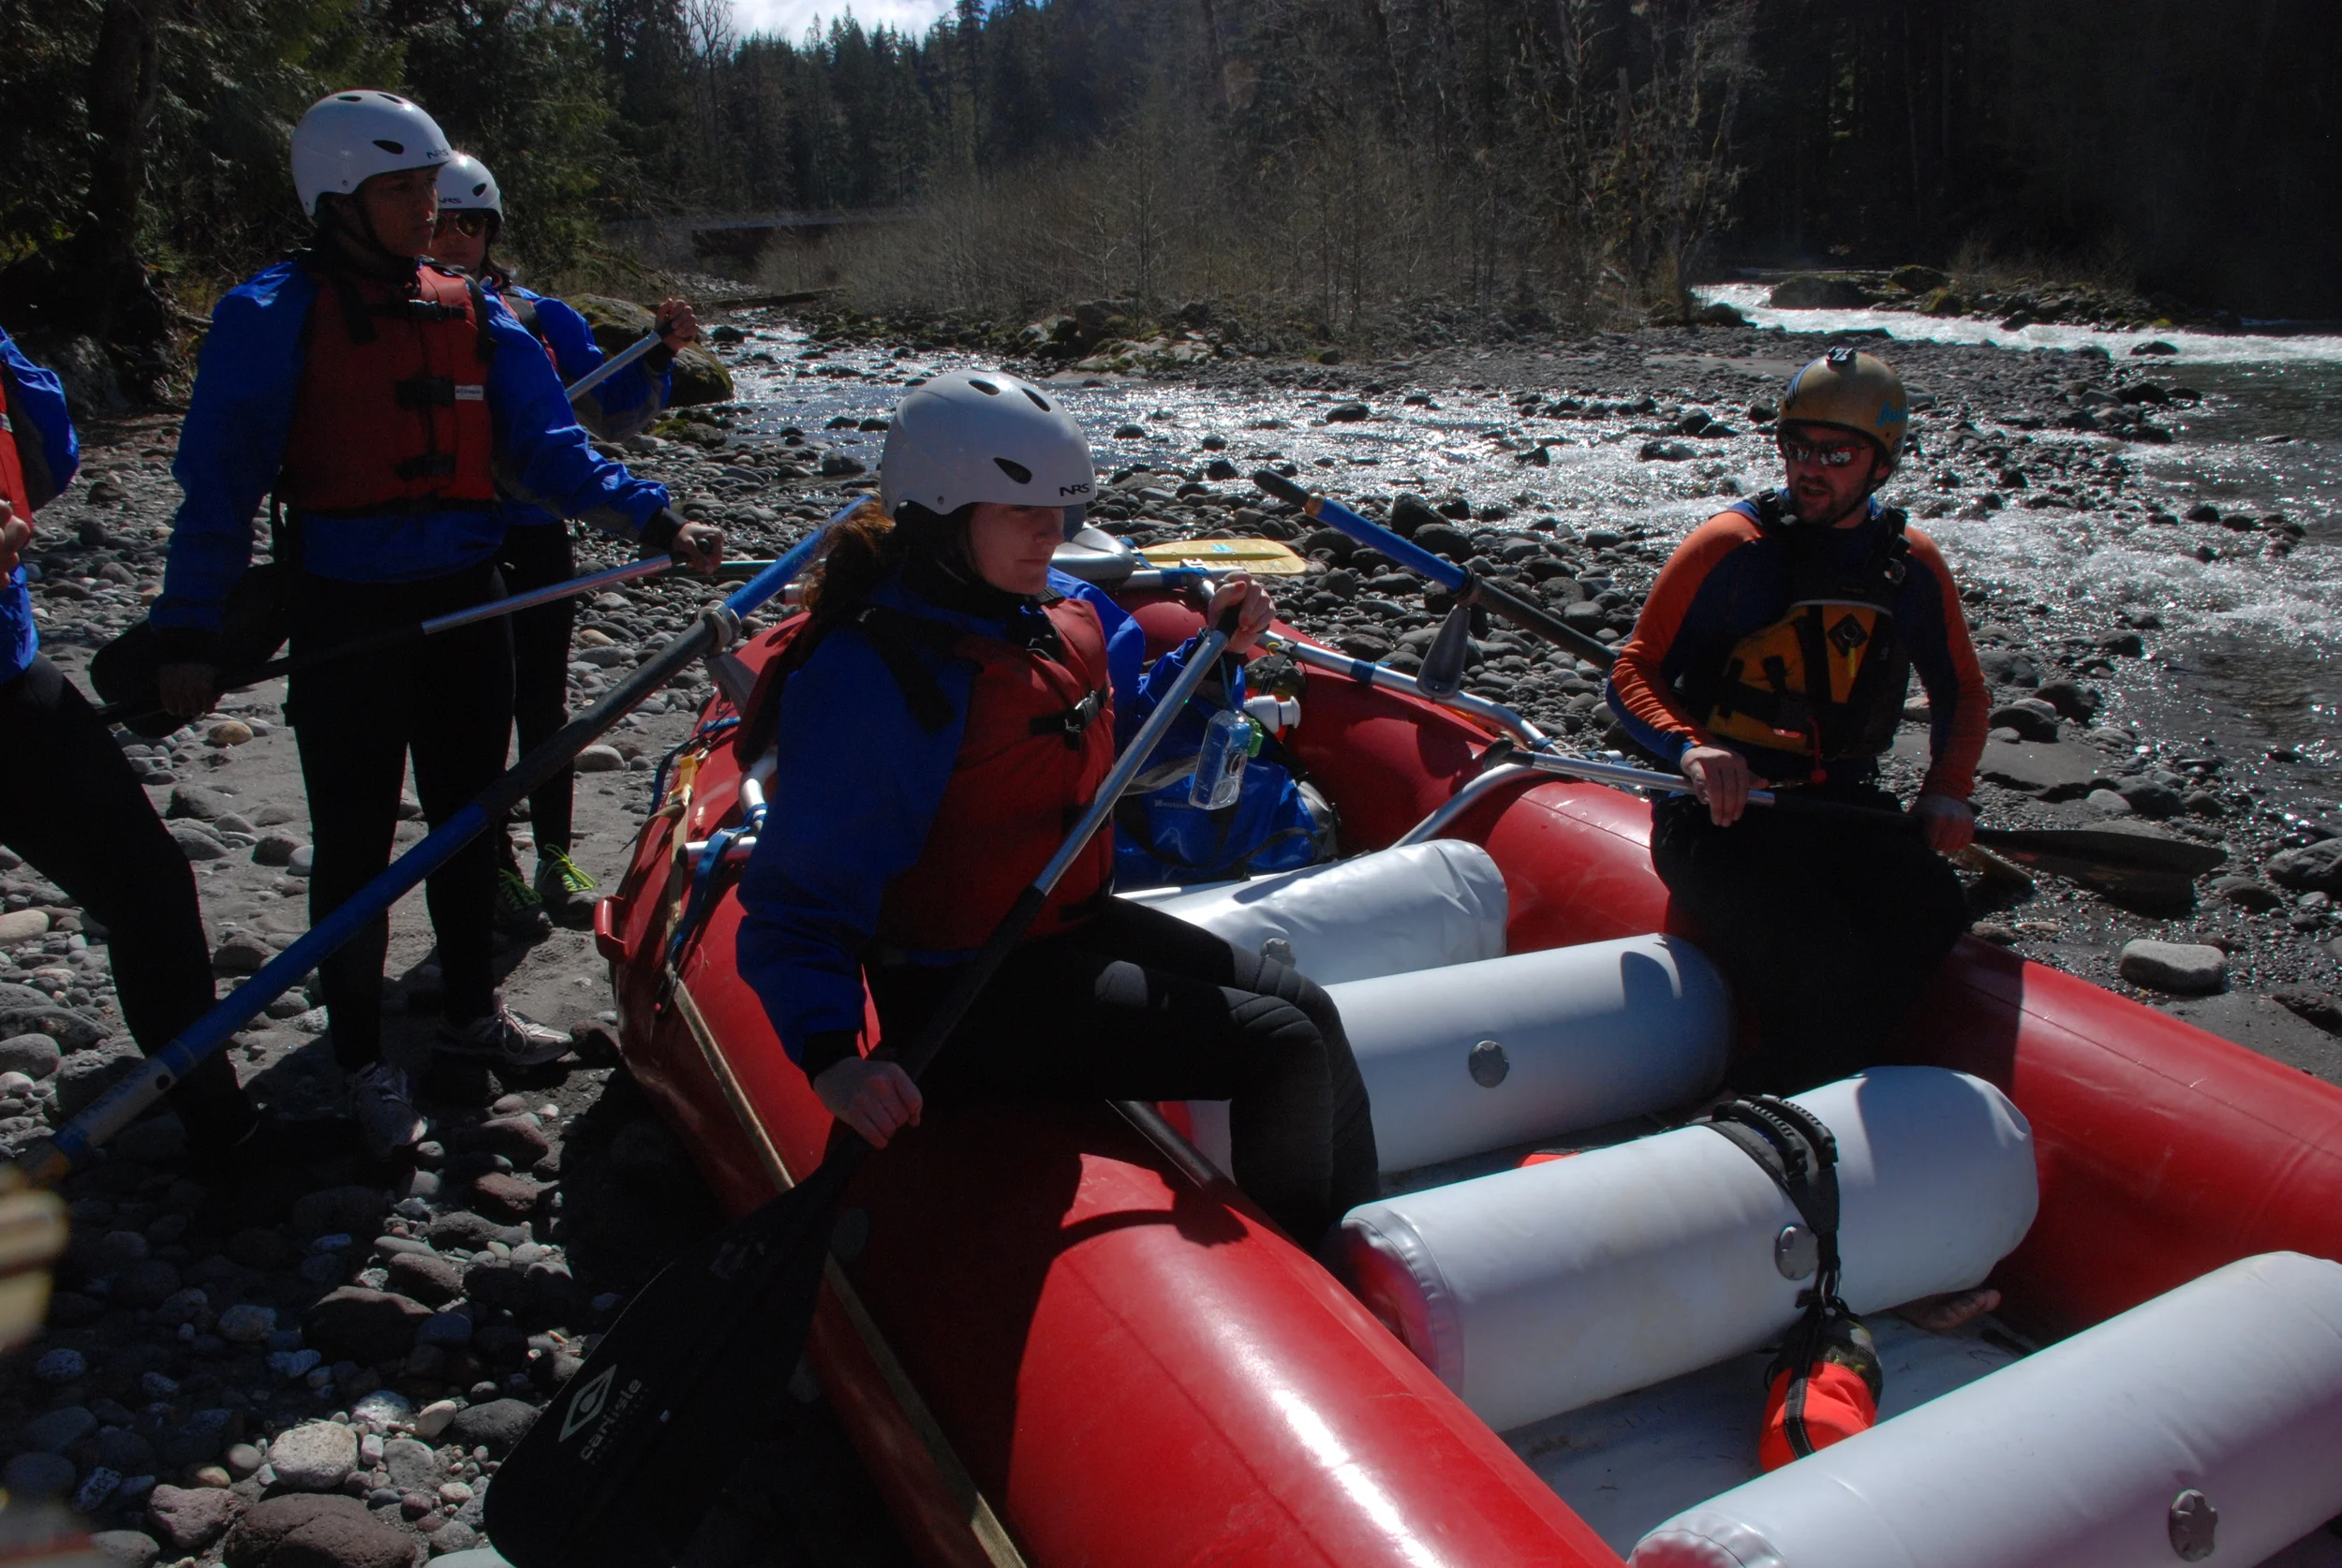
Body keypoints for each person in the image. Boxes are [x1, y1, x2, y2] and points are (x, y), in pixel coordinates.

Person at [150, 90, 723, 1158]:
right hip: (346, 611)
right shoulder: (271, 314)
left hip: (471, 597)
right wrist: (188, 635)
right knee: (357, 841)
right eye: (403, 191)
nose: (428, 209)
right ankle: (362, 1057)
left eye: (431, 188)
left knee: (473, 814)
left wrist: (654, 514)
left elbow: (550, 449)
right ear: (337, 198)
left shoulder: (472, 309)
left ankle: (470, 1015)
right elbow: (218, 491)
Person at [734, 370, 1377, 1250]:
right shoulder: (878, 675)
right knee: (1280, 1045)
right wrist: (829, 1057)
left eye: (1063, 513)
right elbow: (802, 888)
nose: (1055, 535)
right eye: (1022, 513)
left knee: (1311, 1008)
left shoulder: (1049, 616)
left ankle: (1354, 1241)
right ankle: (1322, 1298)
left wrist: (1216, 657)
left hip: (1063, 932)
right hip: (961, 995)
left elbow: (1129, 740)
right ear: (941, 513)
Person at [1607, 348, 1988, 1096]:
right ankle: (1768, 1100)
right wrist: (1692, 750)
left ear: (1882, 464)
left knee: (1935, 905)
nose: (1810, 468)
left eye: (1836, 454)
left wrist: (1948, 788)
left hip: (1839, 807)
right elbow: (1632, 673)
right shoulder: (1730, 547)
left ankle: (1826, 1071)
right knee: (1817, 954)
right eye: (1796, 447)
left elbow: (1963, 692)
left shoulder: (1909, 566)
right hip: (1717, 818)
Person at [0, 330, 274, 1161]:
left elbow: (48, 451)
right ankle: (218, 1129)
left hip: (10, 679)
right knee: (147, 893)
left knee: (149, 890)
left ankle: (220, 1129)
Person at [429, 152, 702, 932]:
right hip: (452, 544)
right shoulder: (393, 319)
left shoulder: (543, 319)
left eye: (472, 225)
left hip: (533, 529)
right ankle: (494, 865)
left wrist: (660, 352)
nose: (456, 240)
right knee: (474, 713)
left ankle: (553, 852)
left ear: (492, 232)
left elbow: (609, 414)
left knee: (540, 701)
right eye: (443, 223)